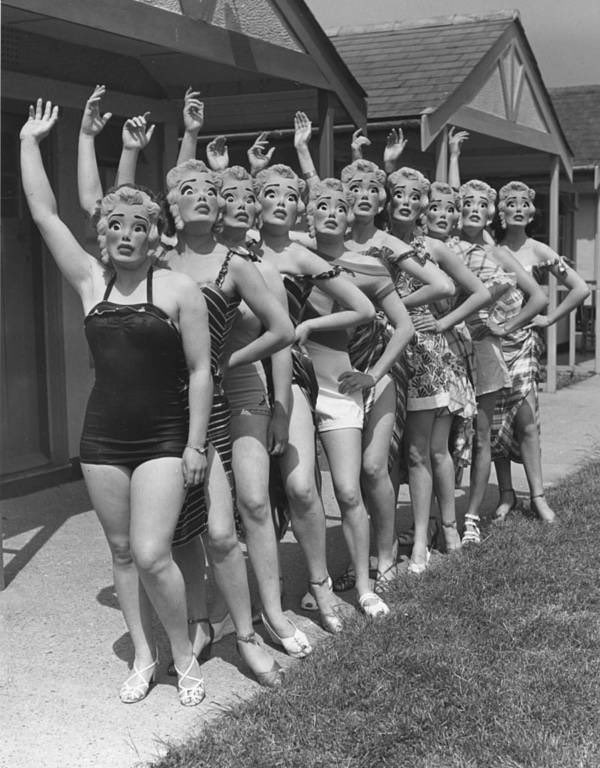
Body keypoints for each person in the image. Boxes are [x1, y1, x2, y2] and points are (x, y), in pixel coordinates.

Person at [21, 99, 212, 706]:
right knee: (123, 551)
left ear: (155, 236)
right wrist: (29, 139)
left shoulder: (180, 289)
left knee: (155, 551)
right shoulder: (89, 282)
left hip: (163, 437)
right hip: (102, 438)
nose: (126, 236)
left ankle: (183, 656)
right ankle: (143, 656)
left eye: (138, 227)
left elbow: (202, 370)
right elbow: (44, 211)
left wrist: (195, 444)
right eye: (115, 227)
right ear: (102, 236)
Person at [492, 181, 590, 522]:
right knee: (495, 421)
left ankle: (537, 496)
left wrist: (549, 319)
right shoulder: (491, 248)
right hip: (491, 341)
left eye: (524, 204)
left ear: (532, 212)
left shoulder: (541, 251)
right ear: (500, 212)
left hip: (523, 346)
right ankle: (505, 494)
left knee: (527, 421)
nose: (518, 208)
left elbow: (578, 290)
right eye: (510, 203)